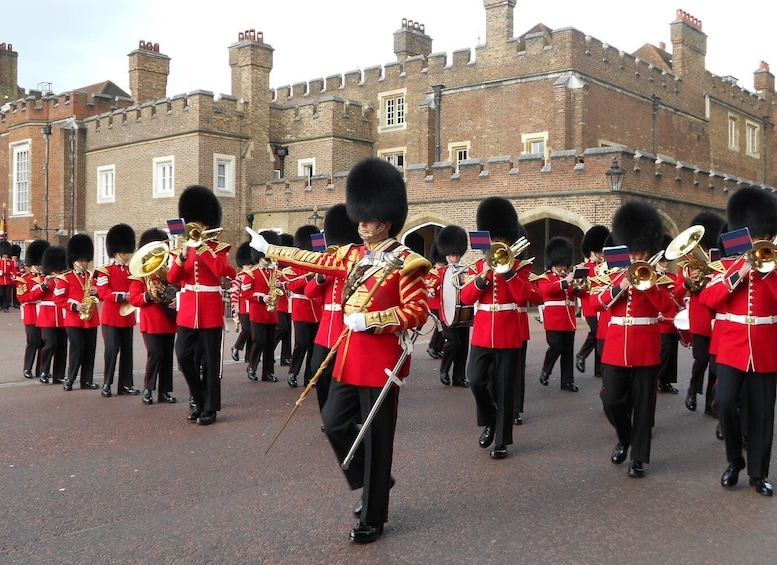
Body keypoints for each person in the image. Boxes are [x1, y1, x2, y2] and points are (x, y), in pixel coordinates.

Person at [248, 157, 430, 544]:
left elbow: (417, 312)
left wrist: (373, 320)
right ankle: (375, 478)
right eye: (359, 218)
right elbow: (313, 258)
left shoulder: (409, 263)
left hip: (381, 363)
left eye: (366, 218)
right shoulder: (350, 256)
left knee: (378, 439)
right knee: (333, 423)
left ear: (386, 219)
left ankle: (374, 514)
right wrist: (271, 249)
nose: (360, 224)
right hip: (349, 358)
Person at [701, 187, 777, 496]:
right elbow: (709, 298)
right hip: (732, 347)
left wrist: (767, 272)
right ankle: (734, 462)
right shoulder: (728, 265)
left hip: (764, 347)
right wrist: (742, 271)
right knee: (725, 401)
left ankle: (758, 474)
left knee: (762, 412)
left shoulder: (774, 268)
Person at [593, 201, 673, 479]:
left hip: (646, 347)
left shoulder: (658, 278)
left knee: (643, 406)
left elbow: (670, 309)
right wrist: (620, 285)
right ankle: (624, 438)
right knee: (611, 400)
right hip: (616, 346)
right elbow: (595, 304)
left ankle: (638, 458)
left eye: (639, 252)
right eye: (632, 251)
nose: (635, 256)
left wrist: (648, 285)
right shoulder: (611, 274)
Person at [459, 196, 541, 459]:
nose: (498, 244)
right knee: (474, 378)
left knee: (505, 388)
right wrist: (482, 278)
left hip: (508, 334)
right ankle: (492, 420)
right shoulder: (479, 266)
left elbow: (529, 297)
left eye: (502, 239)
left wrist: (508, 273)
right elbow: (466, 297)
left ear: (509, 240)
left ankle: (502, 440)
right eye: (495, 239)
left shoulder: (521, 267)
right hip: (483, 331)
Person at [168, 185, 236, 426]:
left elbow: (225, 272)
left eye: (200, 222)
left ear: (207, 224)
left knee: (209, 361)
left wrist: (204, 248)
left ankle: (209, 408)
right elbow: (172, 278)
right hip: (188, 311)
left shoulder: (218, 249)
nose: (195, 227)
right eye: (192, 222)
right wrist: (182, 256)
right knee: (183, 356)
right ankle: (198, 397)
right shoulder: (181, 249)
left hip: (209, 309)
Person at [304, 203, 361, 413]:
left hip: (347, 325)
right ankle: (327, 412)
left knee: (347, 372)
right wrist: (320, 278)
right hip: (327, 326)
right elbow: (310, 293)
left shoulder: (358, 261)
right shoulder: (328, 260)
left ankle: (348, 414)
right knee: (318, 370)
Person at [681, 212, 725, 415]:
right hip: (700, 318)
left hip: (716, 319)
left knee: (715, 366)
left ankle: (710, 405)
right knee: (701, 359)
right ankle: (692, 389)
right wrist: (692, 278)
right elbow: (682, 289)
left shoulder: (720, 260)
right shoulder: (692, 263)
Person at [128, 228, 179, 405]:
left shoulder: (167, 270)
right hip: (151, 321)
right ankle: (148, 389)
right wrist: (149, 294)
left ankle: (164, 392)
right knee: (155, 354)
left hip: (168, 318)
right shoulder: (140, 273)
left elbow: (176, 287)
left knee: (167, 357)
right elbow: (134, 299)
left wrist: (176, 300)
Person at [96, 224, 140, 397]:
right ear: (115, 252)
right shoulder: (105, 271)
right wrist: (120, 296)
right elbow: (102, 291)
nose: (127, 255)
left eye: (128, 252)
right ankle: (107, 383)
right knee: (112, 351)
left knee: (127, 352)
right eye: (124, 253)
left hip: (127, 317)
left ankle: (125, 384)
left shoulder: (133, 271)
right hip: (111, 317)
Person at [55, 234, 101, 391]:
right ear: (74, 260)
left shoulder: (91, 277)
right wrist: (75, 306)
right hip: (74, 319)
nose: (84, 263)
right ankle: (70, 378)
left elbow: (101, 295)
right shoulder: (65, 278)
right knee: (77, 349)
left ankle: (87, 380)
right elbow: (58, 299)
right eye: (81, 260)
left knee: (90, 350)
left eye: (86, 260)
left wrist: (97, 292)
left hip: (91, 318)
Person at [536, 236, 582, 392]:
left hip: (569, 320)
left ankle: (567, 381)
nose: (563, 267)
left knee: (568, 351)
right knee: (556, 347)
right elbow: (547, 290)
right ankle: (546, 370)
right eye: (560, 264)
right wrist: (565, 282)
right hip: (554, 320)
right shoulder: (545, 278)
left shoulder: (568, 278)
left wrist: (579, 287)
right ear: (552, 263)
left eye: (564, 264)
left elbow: (578, 294)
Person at [285, 224, 323, 388]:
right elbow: (291, 286)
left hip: (316, 310)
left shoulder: (317, 264)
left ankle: (310, 376)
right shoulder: (292, 268)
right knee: (301, 343)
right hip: (301, 308)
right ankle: (293, 372)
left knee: (314, 345)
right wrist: (309, 278)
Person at [436, 224, 471, 388]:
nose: (455, 258)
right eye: (452, 255)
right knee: (453, 342)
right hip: (447, 313)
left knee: (463, 345)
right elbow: (432, 286)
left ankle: (459, 377)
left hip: (463, 313)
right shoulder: (440, 272)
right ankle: (444, 369)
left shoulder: (466, 270)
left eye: (457, 255)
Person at [246, 230, 282, 383]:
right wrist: (261, 297)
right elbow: (246, 293)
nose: (268, 260)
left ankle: (268, 372)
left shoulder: (275, 272)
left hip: (271, 313)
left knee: (269, 344)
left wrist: (281, 286)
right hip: (258, 313)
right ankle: (252, 366)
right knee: (259, 341)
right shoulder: (252, 273)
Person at [575, 225, 609, 378]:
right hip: (590, 306)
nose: (601, 254)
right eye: (599, 252)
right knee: (595, 332)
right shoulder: (583, 268)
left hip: (604, 305)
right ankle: (582, 354)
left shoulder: (607, 267)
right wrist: (578, 288)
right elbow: (579, 291)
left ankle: (598, 368)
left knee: (602, 334)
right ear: (592, 252)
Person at [31, 245, 69, 384]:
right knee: (50, 344)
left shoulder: (66, 278)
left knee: (62, 347)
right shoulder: (42, 280)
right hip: (47, 318)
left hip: (63, 317)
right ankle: (43, 371)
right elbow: (32, 296)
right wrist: (45, 284)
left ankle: (59, 375)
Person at [16, 239, 49, 379]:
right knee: (33, 341)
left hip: (44, 314)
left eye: (41, 264)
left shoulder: (46, 278)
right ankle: (27, 368)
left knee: (43, 342)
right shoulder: (24, 279)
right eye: (37, 264)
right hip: (31, 315)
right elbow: (23, 298)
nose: (40, 267)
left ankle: (41, 370)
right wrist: (41, 289)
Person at [230, 242, 255, 364]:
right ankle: (236, 347)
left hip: (254, 308)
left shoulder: (255, 276)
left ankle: (249, 356)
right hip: (243, 308)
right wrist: (235, 309)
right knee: (247, 330)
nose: (250, 265)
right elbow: (234, 294)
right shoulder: (239, 277)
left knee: (252, 333)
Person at [273, 232, 294, 366]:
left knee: (288, 332)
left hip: (288, 303)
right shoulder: (276, 268)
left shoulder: (289, 268)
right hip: (280, 303)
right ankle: (269, 347)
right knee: (282, 327)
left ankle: (286, 357)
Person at [425, 241, 445, 360]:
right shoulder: (433, 272)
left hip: (444, 303)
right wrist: (433, 289)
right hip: (435, 303)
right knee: (441, 326)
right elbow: (430, 286)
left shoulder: (446, 270)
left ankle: (438, 347)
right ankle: (433, 347)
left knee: (443, 327)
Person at [0, 241, 14, 312]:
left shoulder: (10, 262)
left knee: (7, 295)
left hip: (8, 280)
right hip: (1, 280)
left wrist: (12, 275)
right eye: (4, 254)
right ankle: (1, 305)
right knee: (1, 294)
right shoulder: (0, 261)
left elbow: (13, 270)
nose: (5, 255)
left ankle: (5, 307)